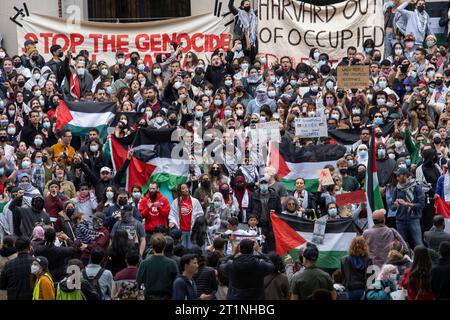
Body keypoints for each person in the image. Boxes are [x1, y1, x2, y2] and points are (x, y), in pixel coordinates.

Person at [136, 233, 179, 300]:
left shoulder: (144, 263)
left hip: (149, 297)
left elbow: (138, 283)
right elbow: (177, 284)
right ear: (164, 246)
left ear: (152, 246)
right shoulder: (172, 264)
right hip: (167, 297)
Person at [391, 167, 425, 248]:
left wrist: (407, 204)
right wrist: (395, 205)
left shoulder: (416, 187)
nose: (397, 178)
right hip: (400, 220)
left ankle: (422, 260)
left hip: (414, 219)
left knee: (418, 243)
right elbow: (392, 207)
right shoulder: (397, 188)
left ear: (405, 176)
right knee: (402, 245)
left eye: (399, 176)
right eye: (397, 176)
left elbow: (421, 205)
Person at [247, 177, 282, 252]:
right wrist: (251, 221)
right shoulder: (254, 195)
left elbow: (279, 211)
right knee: (257, 246)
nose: (263, 185)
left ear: (269, 184)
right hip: (258, 225)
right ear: (259, 184)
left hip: (271, 225)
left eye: (265, 183)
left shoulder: (275, 196)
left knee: (271, 247)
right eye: (261, 183)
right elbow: (249, 209)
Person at [168, 183, 204, 250]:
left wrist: (196, 221)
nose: (186, 190)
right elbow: (172, 215)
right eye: (183, 188)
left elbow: (200, 214)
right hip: (180, 231)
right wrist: (172, 222)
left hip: (192, 231)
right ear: (180, 191)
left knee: (191, 250)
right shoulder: (175, 202)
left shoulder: (195, 201)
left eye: (186, 188)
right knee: (182, 250)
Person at [340, 236, 372, 300]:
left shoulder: (344, 260)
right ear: (364, 246)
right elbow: (370, 278)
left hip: (350, 289)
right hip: (363, 289)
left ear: (351, 245)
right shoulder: (369, 260)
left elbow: (343, 276)